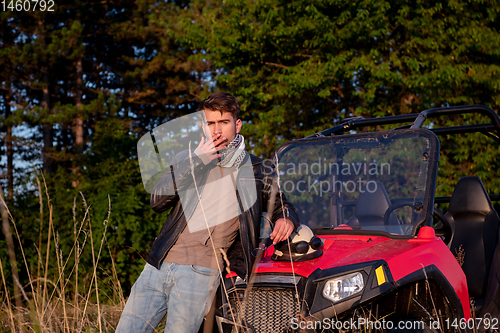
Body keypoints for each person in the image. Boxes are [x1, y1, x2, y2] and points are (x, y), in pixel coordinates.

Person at [116, 92, 299, 332]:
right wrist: (196, 163)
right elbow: (157, 200)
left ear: (237, 124)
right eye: (211, 123)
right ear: (204, 126)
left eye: (224, 122)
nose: (217, 130)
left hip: (201, 271)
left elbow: (282, 203)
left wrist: (286, 218)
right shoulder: (186, 158)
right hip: (158, 264)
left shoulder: (256, 169)